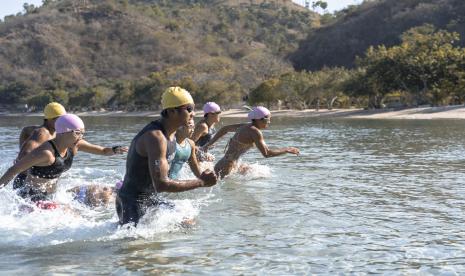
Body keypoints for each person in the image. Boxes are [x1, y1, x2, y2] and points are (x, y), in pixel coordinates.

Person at [116, 87, 217, 226]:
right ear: (171, 111)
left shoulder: (172, 135)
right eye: (188, 108)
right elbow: (161, 184)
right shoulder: (156, 138)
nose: (193, 113)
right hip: (131, 202)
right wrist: (201, 182)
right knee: (134, 245)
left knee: (188, 222)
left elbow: (188, 147)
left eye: (193, 108)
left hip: (151, 199)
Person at [0, 114, 128, 207]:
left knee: (98, 193)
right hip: (31, 197)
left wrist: (115, 150)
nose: (81, 136)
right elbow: (14, 169)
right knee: (73, 215)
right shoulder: (46, 153)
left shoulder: (75, 145)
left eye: (83, 132)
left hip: (52, 194)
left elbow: (103, 151)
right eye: (77, 132)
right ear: (63, 132)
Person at [202, 106, 300, 178]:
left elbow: (225, 129)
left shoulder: (246, 126)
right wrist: (286, 150)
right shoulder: (255, 132)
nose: (269, 122)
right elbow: (267, 153)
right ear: (261, 120)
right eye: (268, 119)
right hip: (227, 166)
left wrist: (208, 145)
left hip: (226, 163)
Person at [14, 102, 67, 189]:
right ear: (50, 119)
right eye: (60, 120)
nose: (63, 122)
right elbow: (23, 156)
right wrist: (24, 162)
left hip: (40, 185)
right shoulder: (43, 133)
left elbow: (26, 130)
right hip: (27, 185)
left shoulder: (52, 132)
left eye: (64, 119)